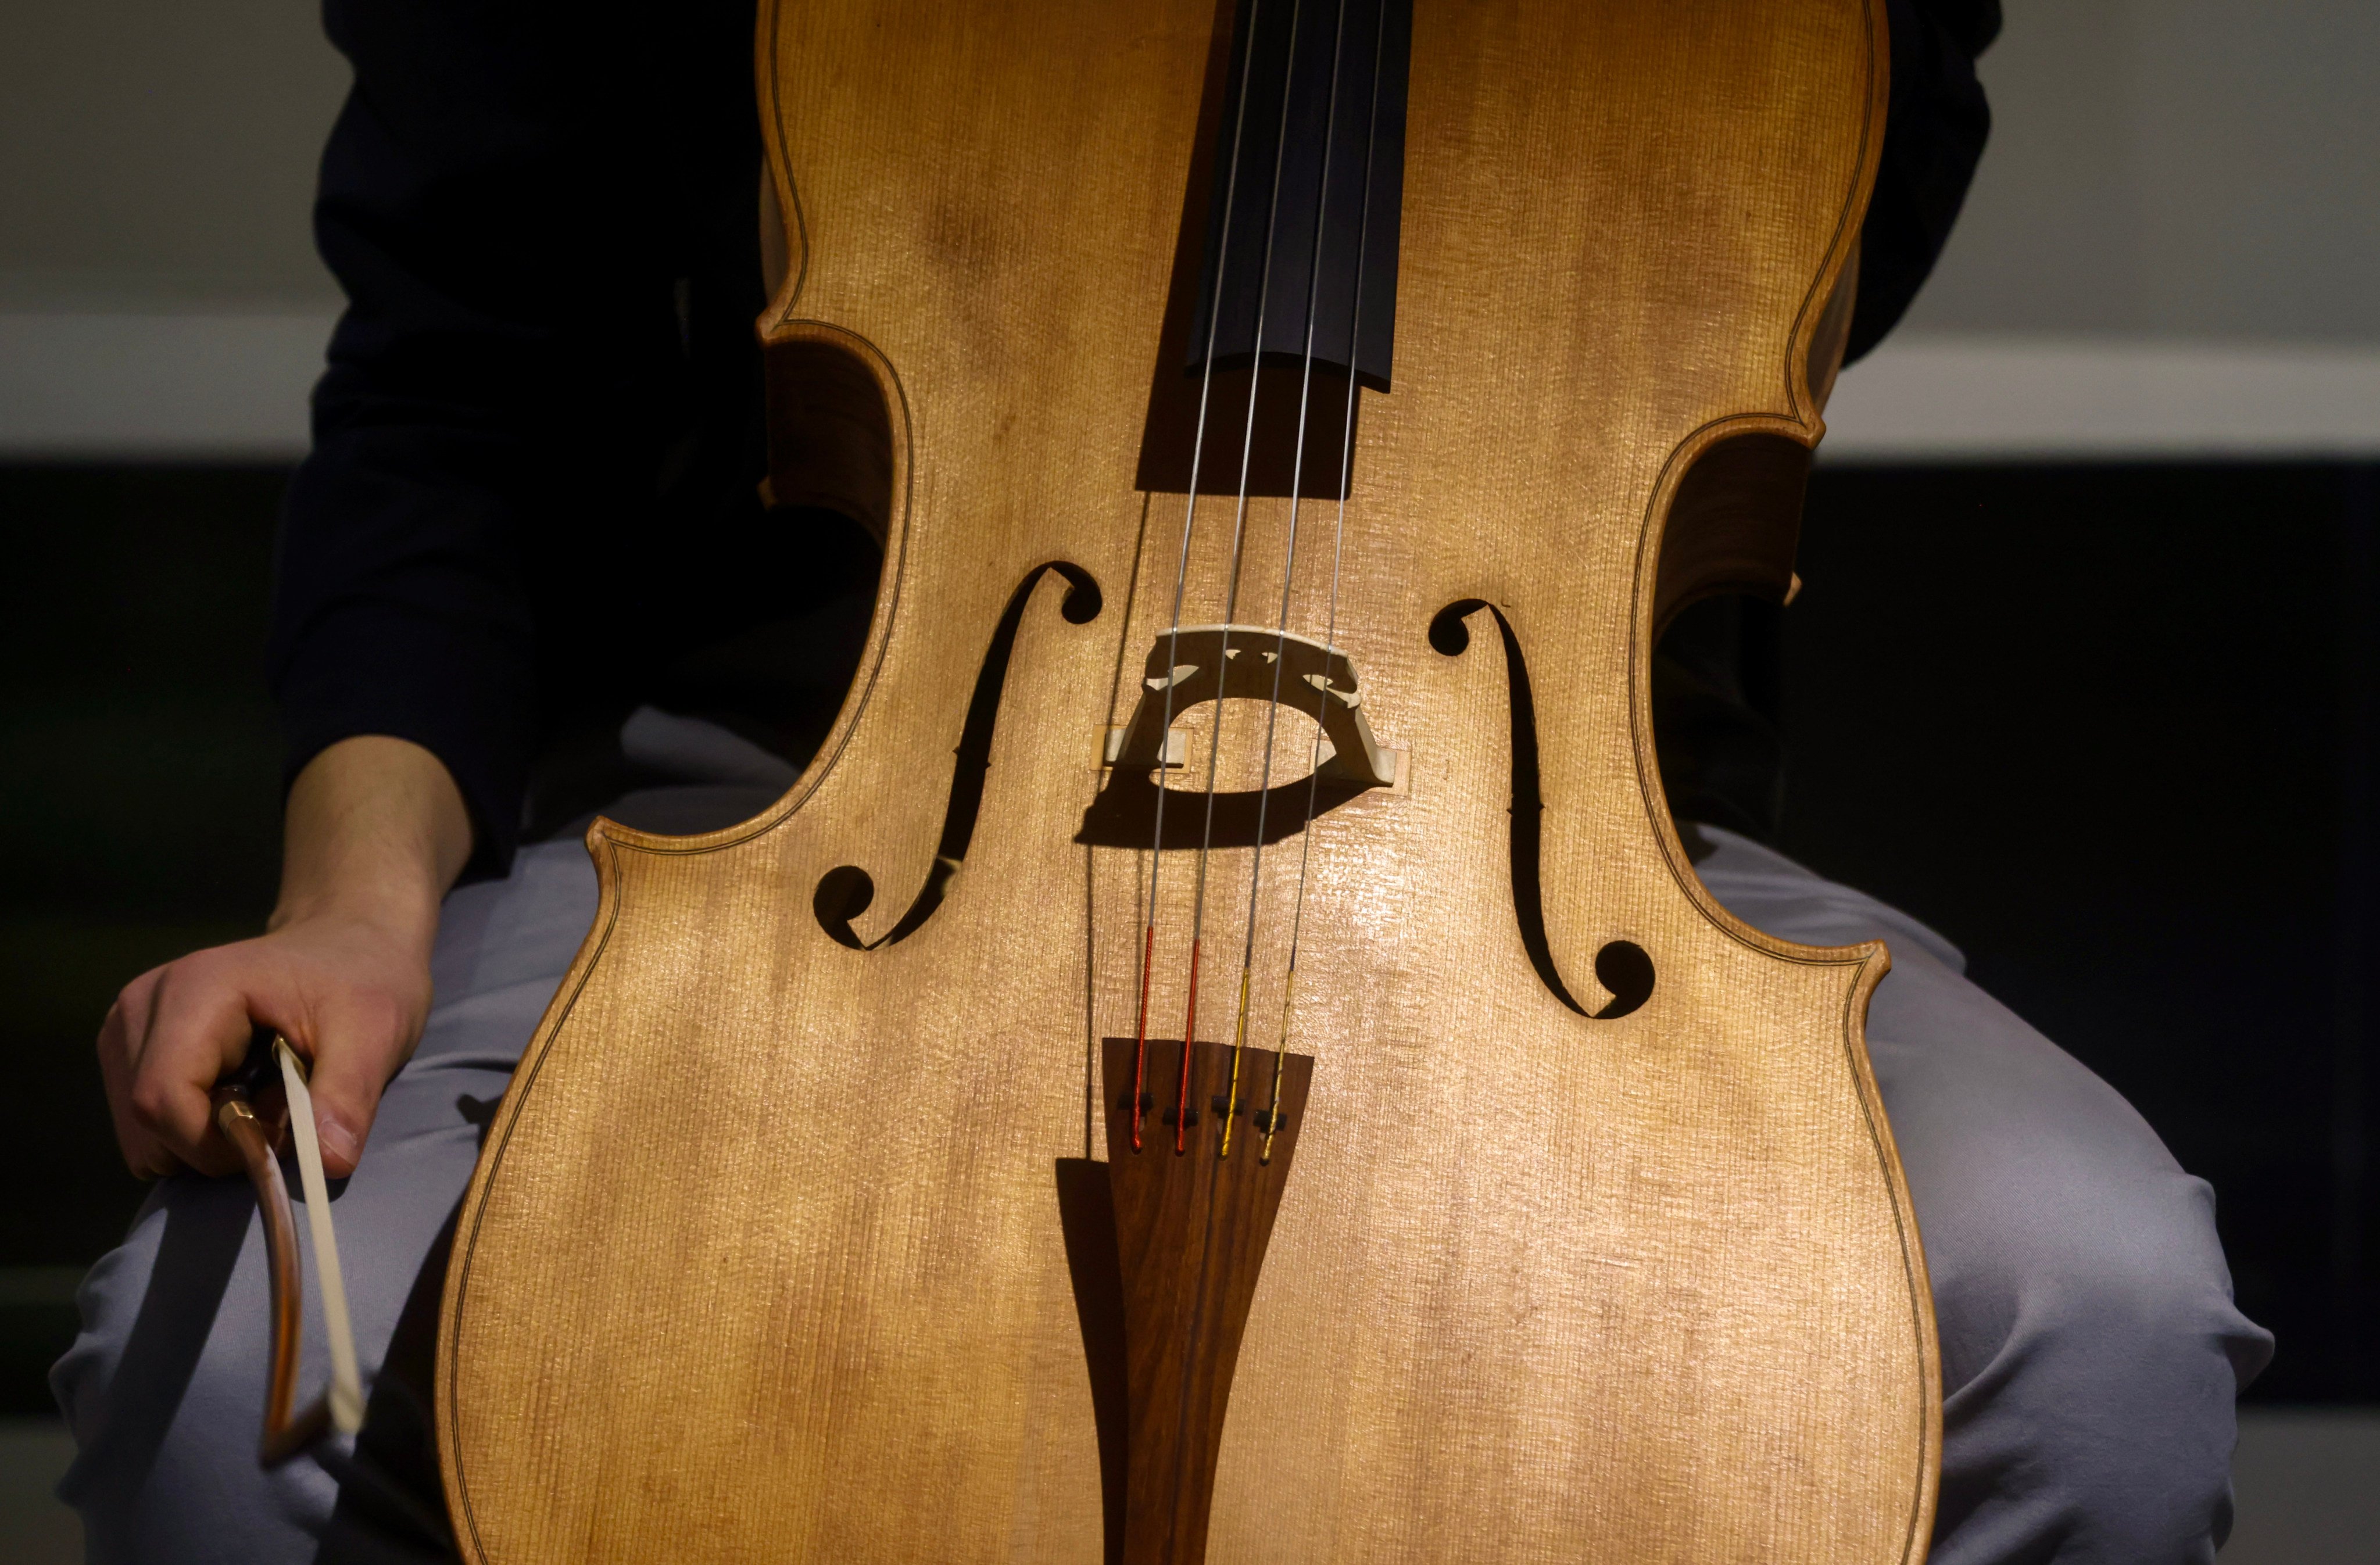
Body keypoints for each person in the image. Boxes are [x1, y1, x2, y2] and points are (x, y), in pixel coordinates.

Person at [53, 2, 2271, 1562]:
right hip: (822, 795)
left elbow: (1815, 223)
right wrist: (355, 906)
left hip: (1526, 826)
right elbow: (460, 386)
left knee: (2090, 1320)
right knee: (226, 1377)